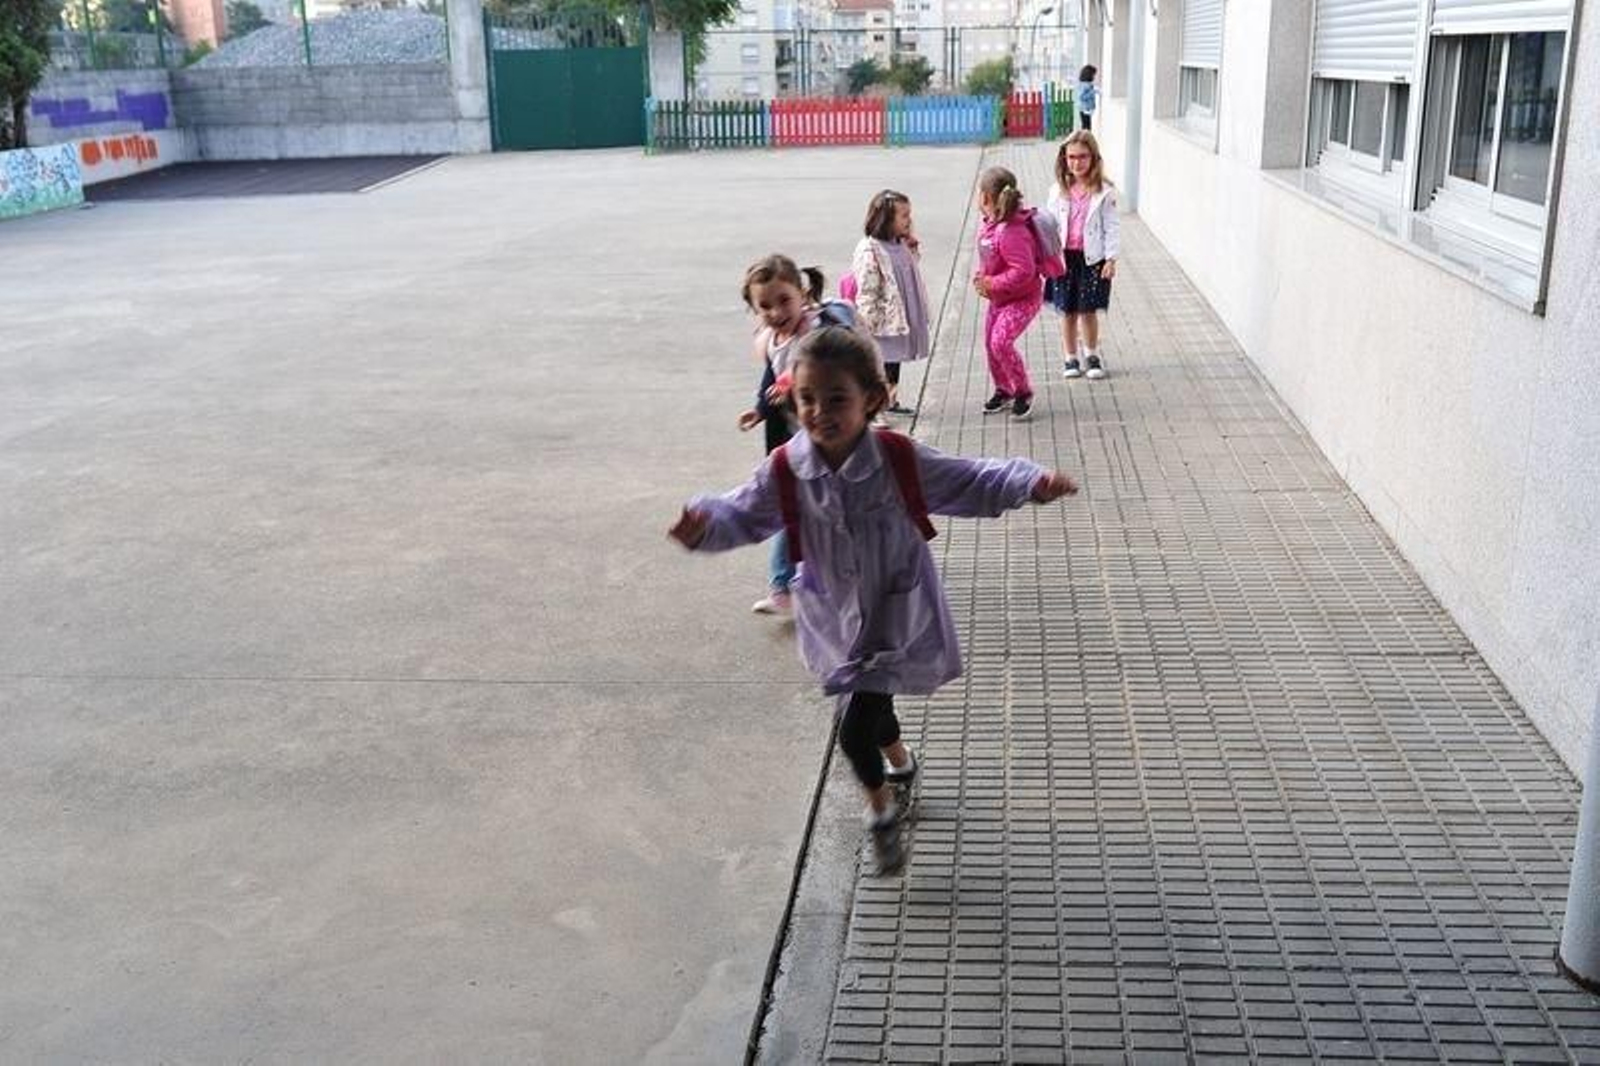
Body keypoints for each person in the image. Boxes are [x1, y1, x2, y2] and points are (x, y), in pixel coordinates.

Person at [669, 327, 1079, 872]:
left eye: (837, 398)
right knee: (874, 709)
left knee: (854, 725)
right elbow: (741, 513)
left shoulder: (896, 458)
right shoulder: (787, 471)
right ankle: (902, 763)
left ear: (873, 398)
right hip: (835, 615)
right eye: (807, 399)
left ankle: (881, 814)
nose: (819, 412)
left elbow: (969, 479)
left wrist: (1028, 483)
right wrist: (704, 525)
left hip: (895, 611)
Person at [736, 254, 827, 615]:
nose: (775, 312)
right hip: (790, 443)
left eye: (784, 300)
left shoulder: (816, 332)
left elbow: (826, 369)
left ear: (802, 294)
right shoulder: (774, 338)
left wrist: (793, 385)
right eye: (765, 306)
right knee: (788, 509)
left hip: (825, 441)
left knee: (813, 513)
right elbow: (771, 376)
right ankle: (785, 587)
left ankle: (805, 584)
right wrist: (760, 408)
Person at [1045, 131, 1120, 380]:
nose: (1076, 163)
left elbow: (1112, 227)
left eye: (1083, 157)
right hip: (1064, 259)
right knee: (1067, 311)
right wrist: (1044, 256)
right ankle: (1070, 358)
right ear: (1064, 159)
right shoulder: (1057, 191)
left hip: (1092, 260)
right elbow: (1049, 225)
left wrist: (1110, 259)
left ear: (1094, 157)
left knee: (1088, 310)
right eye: (1071, 157)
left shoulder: (1104, 192)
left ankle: (1091, 354)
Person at [972, 165, 1045, 421]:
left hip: (1023, 299)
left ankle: (1022, 391)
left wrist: (992, 282)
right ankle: (1003, 389)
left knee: (1000, 342)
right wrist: (982, 278)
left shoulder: (1013, 231)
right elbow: (990, 258)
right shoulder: (991, 224)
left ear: (985, 197)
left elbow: (1023, 271)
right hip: (999, 299)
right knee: (990, 346)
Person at [851, 189, 931, 418]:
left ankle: (891, 401)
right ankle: (875, 410)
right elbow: (867, 289)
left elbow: (909, 267)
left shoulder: (900, 242)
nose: (909, 220)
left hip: (900, 313)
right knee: (881, 364)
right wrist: (869, 320)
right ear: (885, 220)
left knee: (894, 359)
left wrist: (912, 248)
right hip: (882, 317)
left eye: (909, 214)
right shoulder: (870, 250)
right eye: (904, 216)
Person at [1076, 64, 1100, 131]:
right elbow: (1082, 97)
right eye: (1093, 75)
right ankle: (1085, 141)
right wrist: (1093, 92)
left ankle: (1085, 140)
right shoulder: (1085, 85)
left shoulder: (1084, 84)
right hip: (1085, 109)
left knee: (1086, 127)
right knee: (1086, 128)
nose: (1094, 77)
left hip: (1085, 109)